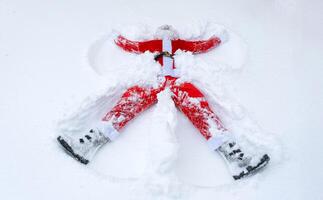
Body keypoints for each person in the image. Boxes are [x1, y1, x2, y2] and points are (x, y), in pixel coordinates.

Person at [57, 25, 270, 180]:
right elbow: (133, 46)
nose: (167, 30)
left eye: (169, 29)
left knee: (201, 110)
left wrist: (217, 39)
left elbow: (199, 46)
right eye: (163, 29)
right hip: (154, 80)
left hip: (178, 82)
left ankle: (235, 156)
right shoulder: (153, 44)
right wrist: (117, 38)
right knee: (127, 104)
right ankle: (87, 143)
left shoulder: (180, 44)